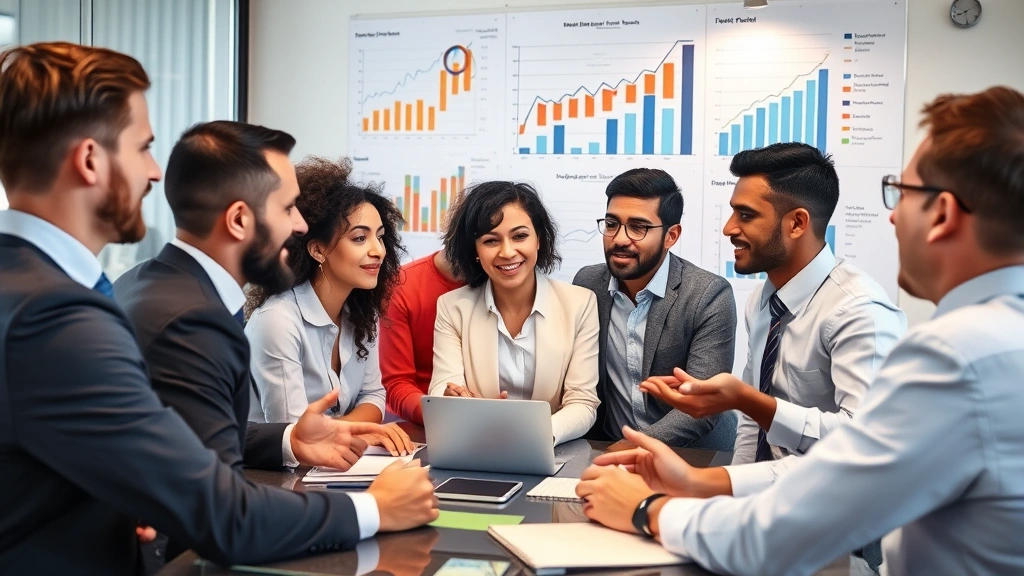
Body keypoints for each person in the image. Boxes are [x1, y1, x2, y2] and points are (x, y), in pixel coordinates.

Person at [0, 42, 437, 573]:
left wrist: (285, 439)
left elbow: (148, 432)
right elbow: (224, 518)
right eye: (142, 148)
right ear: (90, 160)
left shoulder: (48, 288)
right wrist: (375, 508)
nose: (155, 173)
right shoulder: (57, 316)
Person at [576, 86, 1024, 575]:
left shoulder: (950, 352)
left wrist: (647, 509)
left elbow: (829, 493)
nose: (893, 215)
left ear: (942, 214)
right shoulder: (765, 299)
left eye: (902, 193)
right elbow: (781, 451)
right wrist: (715, 483)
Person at [115, 121, 410, 484]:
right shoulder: (192, 318)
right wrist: (372, 513)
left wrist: (296, 440)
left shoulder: (172, 289)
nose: (300, 226)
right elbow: (213, 489)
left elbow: (208, 437)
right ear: (239, 219)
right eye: (287, 209)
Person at [646, 143, 905, 482]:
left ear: (797, 223)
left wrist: (749, 401)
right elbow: (754, 429)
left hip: (834, 516)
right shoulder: (763, 300)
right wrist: (730, 495)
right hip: (767, 501)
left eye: (746, 215)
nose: (728, 228)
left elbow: (868, 441)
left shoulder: (857, 310)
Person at [246, 156, 410, 452]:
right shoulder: (277, 321)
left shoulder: (361, 313)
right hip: (276, 478)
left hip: (336, 463)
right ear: (318, 250)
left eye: (381, 237)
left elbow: (374, 396)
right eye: (360, 238)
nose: (378, 251)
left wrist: (339, 432)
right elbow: (294, 435)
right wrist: (359, 432)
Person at [573, 168, 737, 447]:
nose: (620, 238)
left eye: (639, 227)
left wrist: (634, 447)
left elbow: (702, 405)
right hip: (606, 450)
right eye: (612, 224)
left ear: (671, 236)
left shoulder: (708, 295)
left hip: (694, 456)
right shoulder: (588, 284)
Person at [428, 181, 600, 445]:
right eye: (491, 240)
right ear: (475, 250)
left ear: (539, 238)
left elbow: (583, 403)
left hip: (551, 449)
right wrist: (451, 400)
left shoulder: (580, 303)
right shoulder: (452, 308)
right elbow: (443, 388)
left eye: (520, 236)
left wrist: (533, 434)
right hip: (478, 445)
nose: (507, 252)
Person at [380, 250, 464, 424]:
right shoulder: (402, 285)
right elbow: (396, 382)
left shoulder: (504, 279)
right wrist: (437, 414)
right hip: (423, 423)